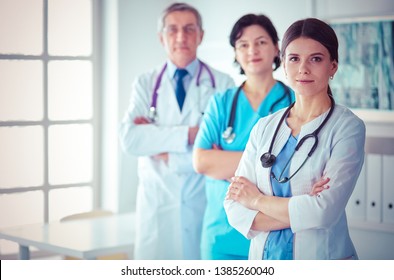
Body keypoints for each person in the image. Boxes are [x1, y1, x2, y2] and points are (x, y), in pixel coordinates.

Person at [224, 18, 366, 260]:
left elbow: (323, 212)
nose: (303, 68)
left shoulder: (347, 128)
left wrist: (256, 199)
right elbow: (234, 207)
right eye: (294, 58)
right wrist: (301, 208)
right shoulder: (264, 127)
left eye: (316, 59)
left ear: (333, 66)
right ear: (284, 64)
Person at [119, 2, 234, 260]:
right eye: (173, 30)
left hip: (203, 205)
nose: (181, 37)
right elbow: (130, 140)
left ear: (201, 35)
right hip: (157, 206)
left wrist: (163, 151)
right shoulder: (145, 83)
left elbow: (223, 152)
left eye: (189, 29)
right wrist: (192, 135)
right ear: (162, 38)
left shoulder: (223, 85)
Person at [192, 14, 294, 260]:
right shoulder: (221, 103)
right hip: (221, 234)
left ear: (276, 48)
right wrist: (268, 163)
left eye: (260, 42)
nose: (252, 51)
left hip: (276, 233)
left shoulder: (295, 102)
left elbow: (301, 169)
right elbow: (202, 162)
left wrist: (225, 161)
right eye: (243, 45)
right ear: (236, 53)